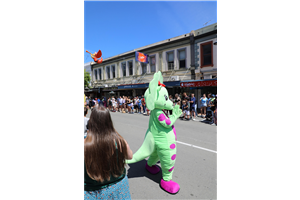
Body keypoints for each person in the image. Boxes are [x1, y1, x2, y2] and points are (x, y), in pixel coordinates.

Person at [84, 106, 133, 199]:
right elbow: (130, 156)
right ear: (109, 122)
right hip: (118, 187)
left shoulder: (86, 144)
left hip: (91, 191)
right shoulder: (119, 141)